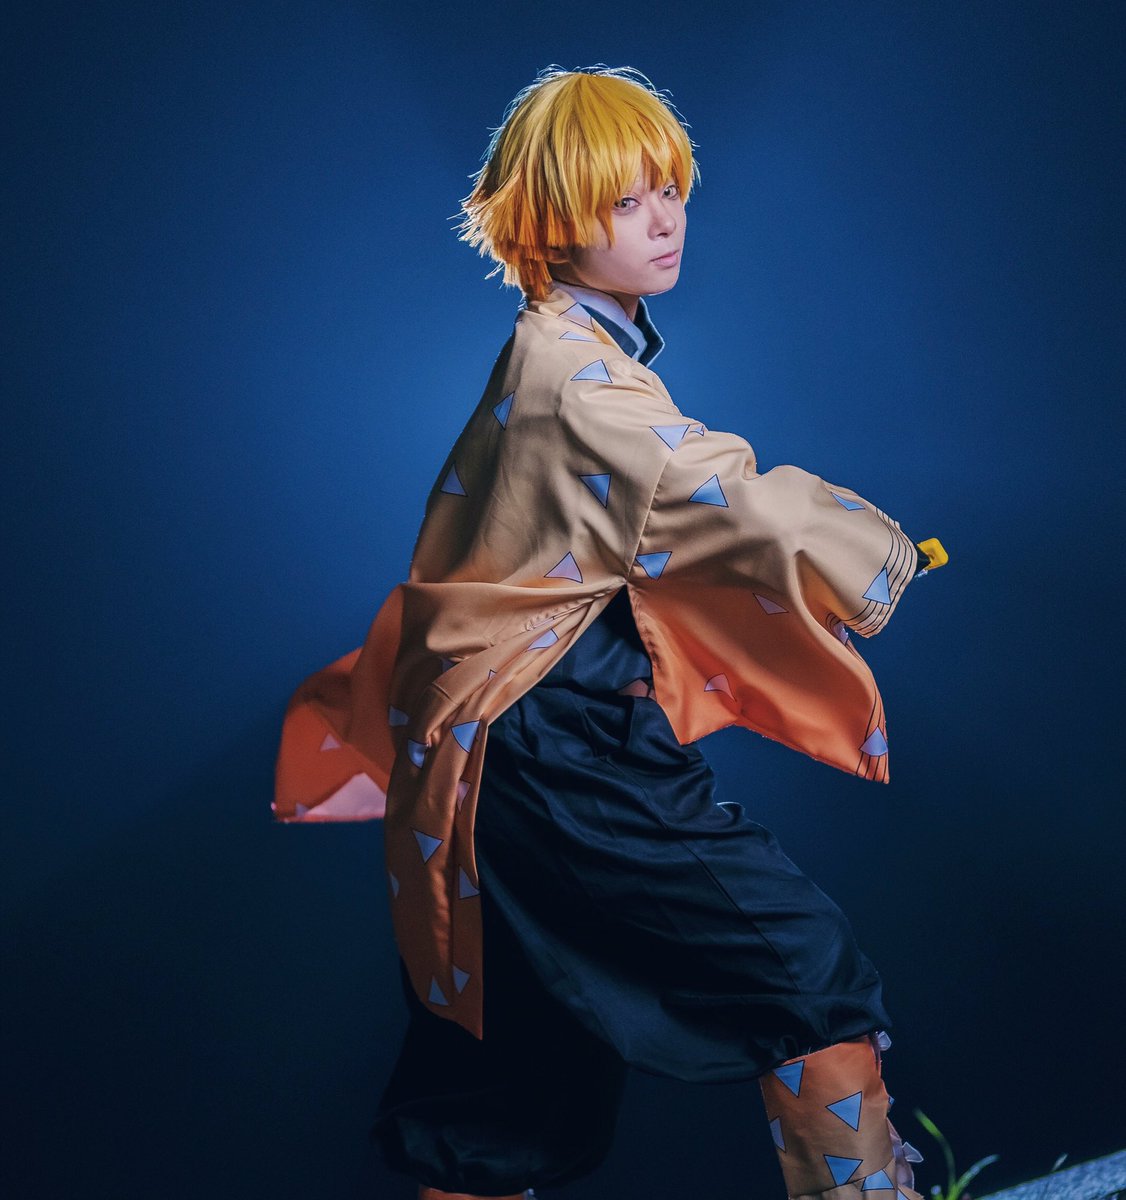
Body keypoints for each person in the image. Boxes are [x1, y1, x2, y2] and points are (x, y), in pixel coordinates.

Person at [274, 65, 941, 1200]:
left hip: (490, 754)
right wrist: (877, 555)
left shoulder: (567, 356)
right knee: (802, 972)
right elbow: (724, 494)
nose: (663, 219)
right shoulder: (577, 377)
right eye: (623, 202)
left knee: (505, 1077)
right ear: (549, 221)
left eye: (667, 189)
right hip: (553, 750)